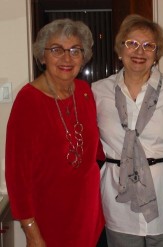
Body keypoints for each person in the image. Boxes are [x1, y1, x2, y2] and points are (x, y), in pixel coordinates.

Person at [92, 14, 163, 247]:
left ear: (157, 54)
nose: (140, 51)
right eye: (132, 43)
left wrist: (151, 159)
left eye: (149, 45)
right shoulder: (98, 92)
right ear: (120, 49)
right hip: (119, 202)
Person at [5, 19, 105, 247]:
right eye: (56, 50)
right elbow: (17, 174)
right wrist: (31, 231)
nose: (67, 58)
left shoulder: (85, 92)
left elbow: (96, 151)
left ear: (84, 56)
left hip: (90, 214)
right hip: (50, 218)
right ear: (42, 56)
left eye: (74, 50)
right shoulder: (28, 100)